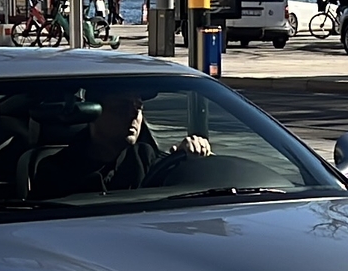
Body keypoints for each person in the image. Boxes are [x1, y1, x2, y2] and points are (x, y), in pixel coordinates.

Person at [28, 84, 212, 198]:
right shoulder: (55, 171)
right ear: (94, 112)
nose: (134, 114)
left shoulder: (144, 157)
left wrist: (188, 155)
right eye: (122, 106)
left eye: (138, 106)